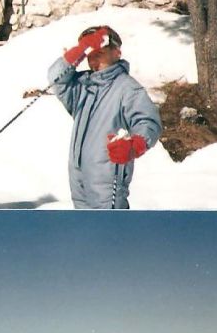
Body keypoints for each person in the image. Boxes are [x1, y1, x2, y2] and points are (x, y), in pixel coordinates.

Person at [48, 25, 161, 209]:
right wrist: (77, 52)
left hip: (108, 179)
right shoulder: (83, 85)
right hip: (79, 177)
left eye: (101, 51)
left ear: (117, 52)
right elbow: (56, 80)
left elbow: (148, 122)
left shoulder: (127, 88)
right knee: (85, 232)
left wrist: (134, 145)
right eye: (90, 53)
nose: (94, 57)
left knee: (111, 233)